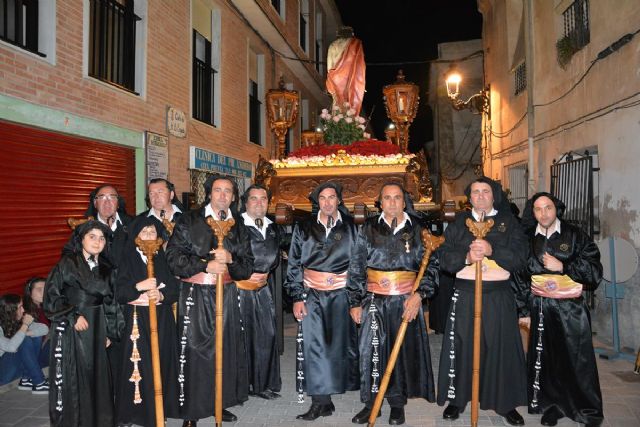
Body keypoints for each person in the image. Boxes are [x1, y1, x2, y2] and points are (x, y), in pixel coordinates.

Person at [436, 176, 528, 426]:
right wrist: (466, 256)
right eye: (475, 192)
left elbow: (521, 258)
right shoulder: (457, 224)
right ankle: (458, 399)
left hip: (498, 295)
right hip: (466, 293)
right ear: (470, 197)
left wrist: (492, 250)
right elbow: (443, 258)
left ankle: (505, 402)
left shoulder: (508, 223)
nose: (479, 196)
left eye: (485, 191)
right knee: (462, 345)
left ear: (494, 195)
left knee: (501, 346)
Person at [166, 174, 254, 427]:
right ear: (209, 194)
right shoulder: (189, 220)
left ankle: (220, 402)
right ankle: (192, 411)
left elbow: (247, 266)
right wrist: (206, 265)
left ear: (234, 197)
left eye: (228, 191)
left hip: (226, 295)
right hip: (195, 295)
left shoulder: (239, 226)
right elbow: (173, 257)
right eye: (218, 190)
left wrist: (231, 260)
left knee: (225, 349)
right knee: (194, 351)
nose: (223, 195)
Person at [347, 183, 436, 425]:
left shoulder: (418, 229)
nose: (393, 202)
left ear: (404, 201)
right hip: (373, 300)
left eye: (397, 198)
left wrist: (419, 295)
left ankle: (397, 404)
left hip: (405, 301)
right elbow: (356, 267)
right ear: (380, 202)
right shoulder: (367, 228)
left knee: (401, 354)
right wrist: (355, 302)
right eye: (387, 198)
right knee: (371, 352)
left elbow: (431, 268)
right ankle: (370, 403)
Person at [519, 193, 603, 427]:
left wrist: (564, 266)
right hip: (540, 307)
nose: (543, 213)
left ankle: (585, 408)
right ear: (532, 212)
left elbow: (594, 270)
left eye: (548, 207)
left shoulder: (575, 235)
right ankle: (552, 405)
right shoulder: (527, 238)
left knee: (577, 359)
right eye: (538, 209)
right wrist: (524, 310)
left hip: (570, 308)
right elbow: (520, 277)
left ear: (556, 208)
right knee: (546, 359)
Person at [284, 181, 359, 420]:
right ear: (317, 202)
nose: (327, 202)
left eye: (332, 197)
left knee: (337, 347)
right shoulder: (304, 227)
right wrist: (296, 297)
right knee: (314, 347)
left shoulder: (351, 228)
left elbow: (358, 265)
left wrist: (356, 299)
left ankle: (330, 397)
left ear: (339, 200)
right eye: (323, 198)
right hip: (312, 295)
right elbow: (294, 264)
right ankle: (319, 401)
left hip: (341, 296)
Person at [44, 220, 123, 427]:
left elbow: (111, 302)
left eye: (102, 238)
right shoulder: (67, 263)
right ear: (81, 240)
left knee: (96, 376)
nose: (98, 241)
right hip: (73, 326)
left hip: (97, 326)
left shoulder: (107, 268)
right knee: (75, 376)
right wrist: (72, 316)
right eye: (92, 237)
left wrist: (109, 331)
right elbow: (51, 296)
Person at [115, 217, 180, 427]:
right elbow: (118, 290)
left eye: (153, 232)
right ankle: (138, 413)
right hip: (137, 319)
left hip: (161, 319)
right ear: (136, 237)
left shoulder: (161, 258)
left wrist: (161, 296)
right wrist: (139, 288)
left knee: (162, 362)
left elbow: (173, 288)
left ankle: (162, 410)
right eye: (145, 232)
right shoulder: (126, 258)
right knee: (140, 365)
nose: (149, 236)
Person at [237, 184, 282, 400]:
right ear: (245, 202)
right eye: (253, 199)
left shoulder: (272, 227)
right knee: (243, 338)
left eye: (263, 198)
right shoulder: (235, 226)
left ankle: (263, 383)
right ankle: (242, 386)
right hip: (239, 292)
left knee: (266, 335)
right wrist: (242, 276)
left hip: (263, 291)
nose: (258, 203)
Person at [0, 294, 49, 393]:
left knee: (34, 337)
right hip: (4, 374)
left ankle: (27, 379)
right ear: (10, 310)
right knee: (25, 340)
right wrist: (25, 326)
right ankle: (39, 383)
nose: (23, 310)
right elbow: (11, 347)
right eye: (19, 307)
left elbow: (44, 329)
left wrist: (25, 332)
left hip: (17, 370)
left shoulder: (18, 321)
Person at [326, 26, 366, 116]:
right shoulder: (356, 44)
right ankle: (349, 122)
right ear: (351, 34)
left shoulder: (333, 45)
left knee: (337, 103)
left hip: (335, 78)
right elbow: (360, 65)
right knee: (349, 102)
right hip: (350, 78)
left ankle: (337, 122)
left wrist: (330, 80)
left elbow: (329, 66)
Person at [23, 277, 51, 367]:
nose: (44, 292)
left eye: (45, 288)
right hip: (37, 353)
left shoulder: (47, 307)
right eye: (39, 289)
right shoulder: (24, 311)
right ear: (30, 293)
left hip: (49, 346)